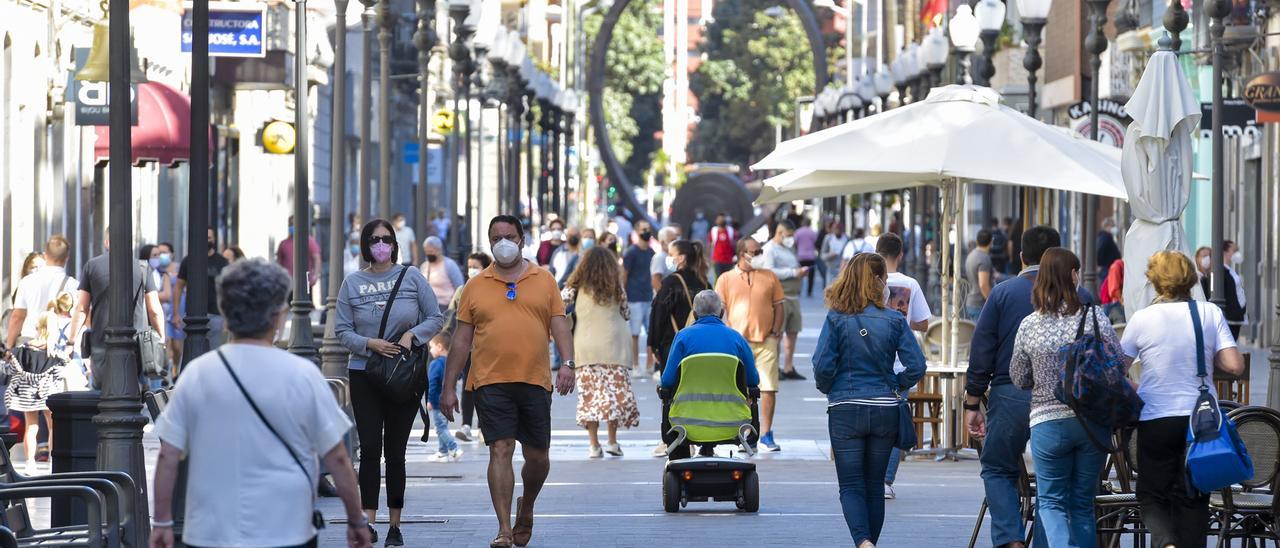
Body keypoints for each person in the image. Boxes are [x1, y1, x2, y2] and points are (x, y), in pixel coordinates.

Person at [148, 259, 370, 548]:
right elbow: (338, 458)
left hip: (211, 532)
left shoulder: (197, 375)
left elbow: (168, 454)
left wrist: (162, 522)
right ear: (278, 317)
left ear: (226, 316)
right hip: (287, 529)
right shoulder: (302, 376)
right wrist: (356, 520)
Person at [438, 215, 576, 548]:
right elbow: (461, 340)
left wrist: (568, 364)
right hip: (489, 380)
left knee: (538, 457)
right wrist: (448, 386)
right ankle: (503, 528)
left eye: (509, 236)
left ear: (522, 239)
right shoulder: (475, 285)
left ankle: (525, 507)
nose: (503, 242)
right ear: (489, 242)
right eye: (496, 237)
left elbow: (560, 326)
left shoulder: (544, 280)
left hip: (534, 379)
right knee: (500, 449)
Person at [965, 226, 1091, 548]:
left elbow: (982, 350)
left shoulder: (1003, 292)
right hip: (1070, 402)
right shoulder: (1083, 298)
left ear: (1021, 257)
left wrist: (972, 401)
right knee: (1057, 483)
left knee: (997, 466)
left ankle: (1010, 539)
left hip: (1011, 394)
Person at [1120, 250, 1245, 548]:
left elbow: (1115, 370)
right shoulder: (1208, 313)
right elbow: (1235, 365)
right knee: (1194, 494)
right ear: (1189, 277)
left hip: (1155, 417)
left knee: (1151, 494)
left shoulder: (1142, 318)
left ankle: (1165, 542)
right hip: (1199, 421)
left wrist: (1138, 387)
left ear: (1154, 279)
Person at [335, 219, 445, 546]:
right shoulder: (352, 283)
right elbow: (342, 330)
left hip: (402, 373)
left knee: (395, 452)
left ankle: (395, 524)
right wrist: (370, 344)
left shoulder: (411, 277)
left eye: (386, 239)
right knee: (369, 449)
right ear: (365, 245)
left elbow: (435, 318)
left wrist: (413, 335)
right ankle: (368, 522)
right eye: (374, 239)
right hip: (365, 372)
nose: (380, 245)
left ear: (394, 243)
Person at [814, 252, 926, 548]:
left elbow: (822, 365)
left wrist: (830, 387)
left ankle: (863, 542)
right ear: (878, 282)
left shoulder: (836, 318)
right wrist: (895, 383)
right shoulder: (894, 320)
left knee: (851, 484)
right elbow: (916, 365)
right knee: (875, 485)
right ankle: (869, 542)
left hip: (845, 409)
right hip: (884, 408)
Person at [1008, 248, 1120, 547]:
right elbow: (1117, 364)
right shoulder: (1095, 317)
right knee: (1083, 502)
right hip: (1091, 423)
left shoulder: (1030, 325)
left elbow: (1019, 378)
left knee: (1052, 501)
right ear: (1073, 276)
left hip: (1047, 423)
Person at [659, 290, 760, 460]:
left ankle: (678, 463)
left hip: (686, 421)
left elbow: (667, 380)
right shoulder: (736, 339)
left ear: (694, 314)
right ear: (721, 313)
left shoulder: (683, 337)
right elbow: (753, 380)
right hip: (731, 422)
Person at [562, 247, 640, 459]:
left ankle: (594, 445)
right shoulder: (616, 288)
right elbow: (626, 312)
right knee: (613, 395)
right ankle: (613, 441)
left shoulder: (576, 288)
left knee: (590, 396)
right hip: (615, 347)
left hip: (586, 348)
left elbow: (559, 305)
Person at [715, 237, 785, 452]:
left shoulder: (770, 276)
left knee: (769, 388)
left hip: (766, 341)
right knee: (740, 390)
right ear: (741, 254)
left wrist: (775, 331)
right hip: (737, 344)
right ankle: (746, 432)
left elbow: (779, 306)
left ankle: (766, 433)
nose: (758, 255)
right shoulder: (726, 278)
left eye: (760, 250)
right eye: (754, 251)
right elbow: (719, 310)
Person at [69, 229, 165, 385]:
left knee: (101, 392)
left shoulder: (92, 266)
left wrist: (71, 341)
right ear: (130, 244)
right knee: (135, 390)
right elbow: (154, 310)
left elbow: (82, 308)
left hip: (101, 340)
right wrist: (161, 337)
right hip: (136, 344)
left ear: (107, 242)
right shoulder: (142, 267)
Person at [876, 233, 931, 499]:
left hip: (872, 363)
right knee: (896, 421)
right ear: (900, 255)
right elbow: (923, 323)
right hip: (899, 366)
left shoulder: (868, 284)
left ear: (876, 252)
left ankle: (870, 477)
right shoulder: (911, 284)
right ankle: (886, 480)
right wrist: (902, 318)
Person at [5, 297, 72, 475]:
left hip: (27, 395)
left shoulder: (23, 350)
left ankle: (29, 463)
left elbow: (11, 369)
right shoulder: (55, 353)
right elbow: (61, 373)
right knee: (52, 426)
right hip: (48, 393)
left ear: (37, 327)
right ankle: (52, 462)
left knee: (31, 427)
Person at [442, 252, 493, 444]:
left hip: (488, 346)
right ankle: (466, 425)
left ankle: (482, 425)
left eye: (476, 266)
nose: (472, 269)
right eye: (470, 265)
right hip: (467, 347)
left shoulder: (492, 289)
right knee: (467, 386)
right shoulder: (462, 290)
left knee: (486, 386)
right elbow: (450, 317)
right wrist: (445, 338)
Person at [7, 235, 77, 350]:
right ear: (67, 258)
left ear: (45, 255)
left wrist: (9, 347)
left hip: (29, 342)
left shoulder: (27, 281)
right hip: (58, 345)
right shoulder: (73, 285)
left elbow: (17, 317)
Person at [649, 240, 711, 369]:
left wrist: (654, 344)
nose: (668, 258)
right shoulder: (705, 283)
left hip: (673, 344)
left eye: (671, 254)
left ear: (681, 258)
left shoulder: (671, 282)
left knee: (673, 385)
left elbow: (659, 313)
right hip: (700, 344)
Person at [761, 220, 809, 381]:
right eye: (788, 235)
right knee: (777, 333)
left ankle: (788, 367)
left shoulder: (788, 248)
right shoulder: (769, 249)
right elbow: (769, 271)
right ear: (779, 233)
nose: (791, 239)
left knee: (793, 331)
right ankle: (775, 367)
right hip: (780, 297)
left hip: (793, 296)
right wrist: (793, 272)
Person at [175, 229, 231, 349]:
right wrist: (175, 314)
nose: (207, 240)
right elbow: (178, 287)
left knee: (215, 353)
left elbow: (229, 292)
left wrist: (228, 318)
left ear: (214, 239)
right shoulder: (188, 260)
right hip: (191, 316)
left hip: (216, 316)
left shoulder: (222, 262)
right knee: (190, 352)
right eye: (204, 237)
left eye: (209, 237)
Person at [622, 221, 656, 377]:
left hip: (648, 296)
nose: (646, 232)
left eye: (648, 229)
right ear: (636, 231)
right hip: (634, 297)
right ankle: (635, 365)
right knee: (634, 333)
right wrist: (623, 294)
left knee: (651, 333)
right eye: (643, 229)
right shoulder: (631, 252)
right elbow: (625, 274)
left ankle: (650, 364)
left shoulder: (651, 252)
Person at [424, 333, 463, 462]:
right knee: (443, 426)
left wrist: (429, 400)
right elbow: (460, 375)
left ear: (439, 347)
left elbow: (432, 383)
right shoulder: (451, 362)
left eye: (432, 347)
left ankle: (454, 448)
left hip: (436, 402)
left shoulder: (435, 364)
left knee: (440, 428)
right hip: (449, 401)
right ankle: (442, 452)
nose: (430, 350)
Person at [155, 242, 183, 371]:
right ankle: (167, 372)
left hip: (177, 308)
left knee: (177, 346)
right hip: (163, 310)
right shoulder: (157, 270)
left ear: (172, 254)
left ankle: (176, 367)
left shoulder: (179, 268)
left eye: (164, 252)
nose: (161, 256)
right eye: (159, 253)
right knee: (165, 342)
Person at [276, 216, 322, 289]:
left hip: (305, 281)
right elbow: (279, 262)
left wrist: (315, 275)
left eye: (294, 224)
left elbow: (317, 258)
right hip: (288, 281)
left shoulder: (308, 241)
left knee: (306, 299)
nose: (292, 227)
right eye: (290, 224)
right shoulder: (283, 244)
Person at [420, 236, 464, 310]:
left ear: (439, 250)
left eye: (431, 251)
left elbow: (459, 287)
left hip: (445, 307)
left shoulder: (449, 265)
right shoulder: (424, 266)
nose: (428, 254)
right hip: (427, 306)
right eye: (426, 252)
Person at [965, 229, 995, 320]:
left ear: (977, 241)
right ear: (991, 242)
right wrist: (992, 303)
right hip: (980, 304)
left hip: (971, 302)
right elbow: (983, 285)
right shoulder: (984, 258)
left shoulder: (971, 255)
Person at [1222, 240, 1247, 339]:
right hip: (1230, 318)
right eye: (1235, 250)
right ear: (1225, 252)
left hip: (1236, 317)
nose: (1237, 253)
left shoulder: (1231, 270)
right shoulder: (1221, 271)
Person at [649, 226, 681, 293]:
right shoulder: (660, 257)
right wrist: (664, 299)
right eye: (672, 240)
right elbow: (655, 281)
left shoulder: (671, 257)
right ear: (662, 243)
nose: (675, 243)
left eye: (676, 240)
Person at [795, 218, 820, 297]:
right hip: (810, 256)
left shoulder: (798, 232)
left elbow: (795, 243)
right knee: (811, 275)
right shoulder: (812, 232)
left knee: (800, 274)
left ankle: (799, 290)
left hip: (801, 256)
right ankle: (809, 291)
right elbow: (816, 243)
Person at [821, 223, 849, 289]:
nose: (837, 231)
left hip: (843, 269)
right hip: (831, 268)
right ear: (832, 230)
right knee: (830, 290)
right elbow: (822, 255)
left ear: (842, 230)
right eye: (835, 229)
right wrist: (829, 255)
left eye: (839, 230)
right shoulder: (828, 238)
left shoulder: (847, 239)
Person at [1096, 218, 1122, 287]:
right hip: (1106, 268)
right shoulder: (1106, 237)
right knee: (1106, 287)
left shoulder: (1105, 237)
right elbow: (1100, 250)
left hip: (1108, 268)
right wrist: (1099, 264)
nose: (1113, 228)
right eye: (1112, 226)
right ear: (1107, 226)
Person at [1100, 258, 1125, 323]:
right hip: (1110, 303)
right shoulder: (1116, 266)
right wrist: (1122, 301)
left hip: (1112, 302)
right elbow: (1114, 289)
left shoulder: (1121, 266)